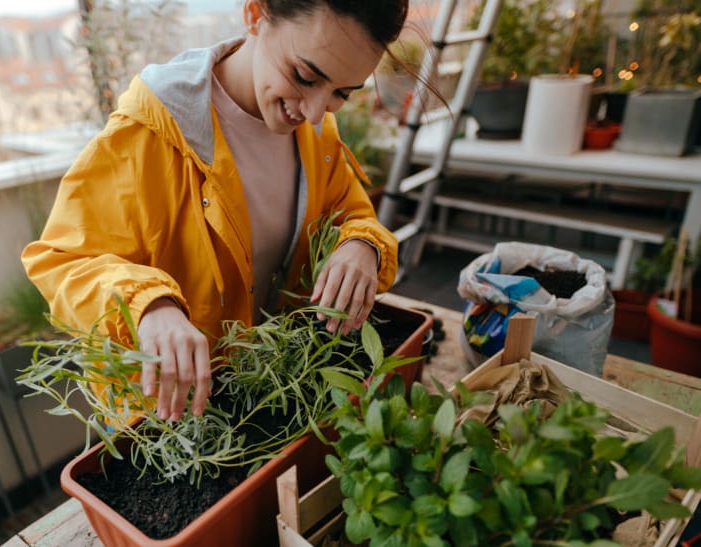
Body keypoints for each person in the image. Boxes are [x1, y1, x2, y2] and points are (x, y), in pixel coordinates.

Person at [22, 0, 410, 424]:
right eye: (304, 76)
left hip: (274, 398)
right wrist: (148, 306)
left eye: (341, 94)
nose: (315, 112)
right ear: (254, 15)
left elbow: (349, 212)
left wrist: (362, 244)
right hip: (177, 424)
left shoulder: (318, 135)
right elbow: (61, 261)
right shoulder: (147, 134)